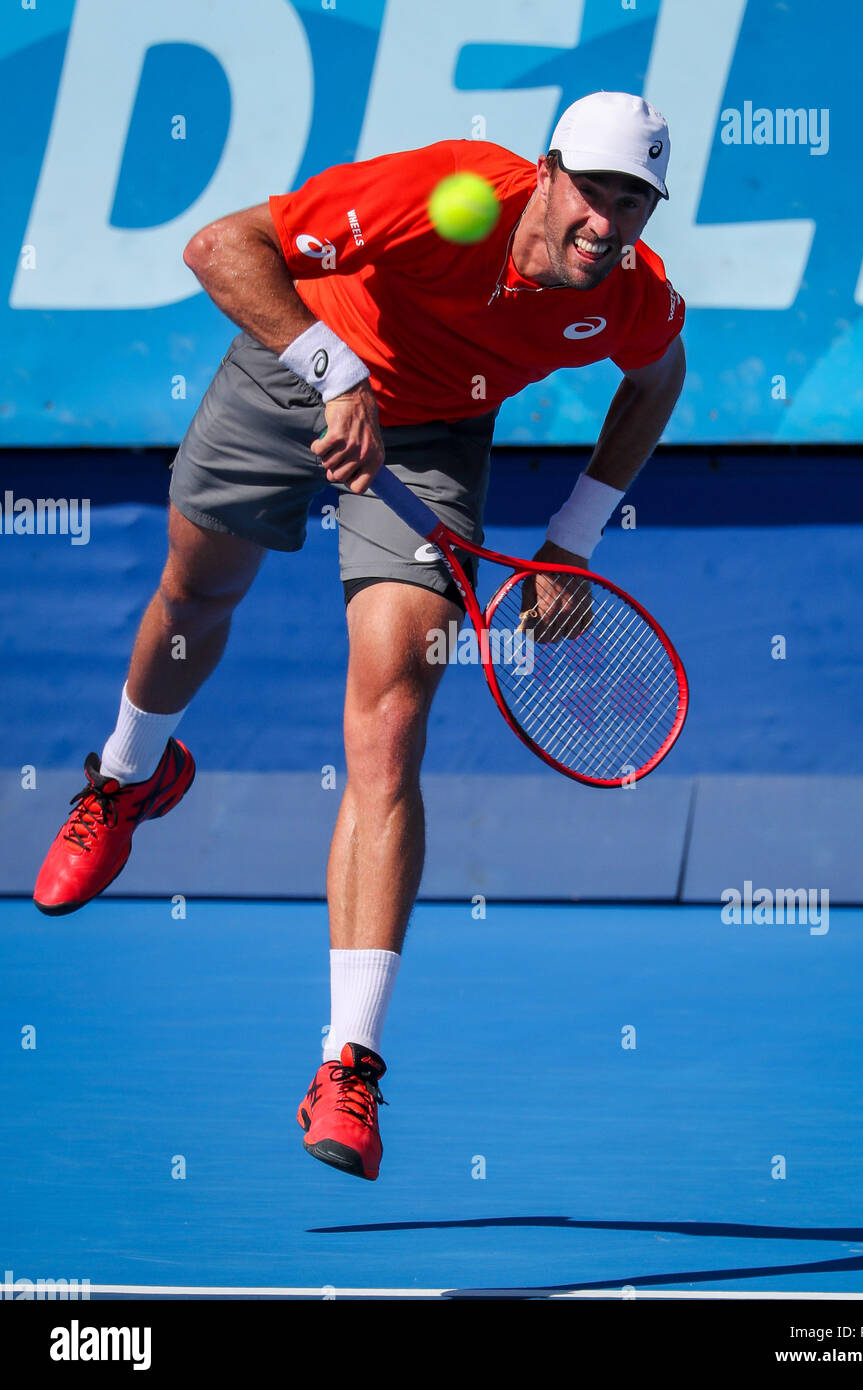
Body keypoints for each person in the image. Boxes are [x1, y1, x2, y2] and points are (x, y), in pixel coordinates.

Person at [33, 92, 687, 1181]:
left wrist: (571, 542)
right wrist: (334, 373)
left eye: (635, 204)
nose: (608, 225)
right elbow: (220, 246)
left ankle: (349, 1065)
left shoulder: (627, 297)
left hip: (431, 439)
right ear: (547, 172)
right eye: (595, 193)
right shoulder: (444, 200)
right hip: (301, 366)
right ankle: (126, 777)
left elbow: (659, 380)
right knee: (195, 599)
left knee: (390, 724)